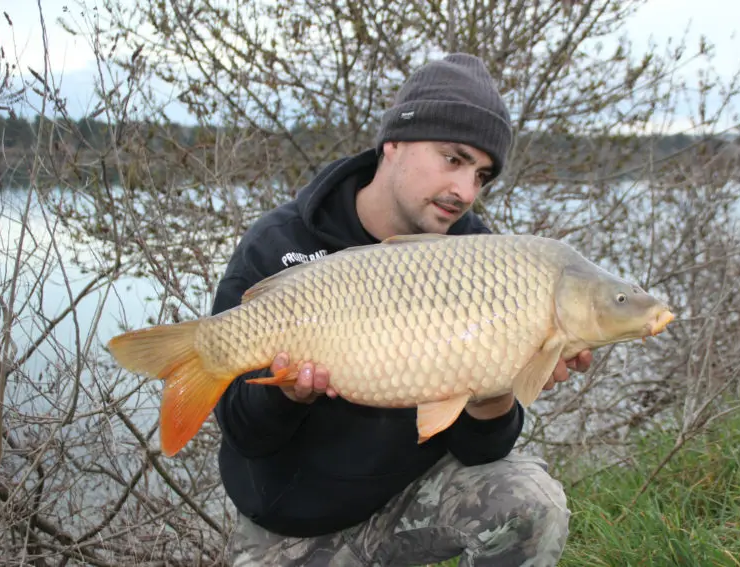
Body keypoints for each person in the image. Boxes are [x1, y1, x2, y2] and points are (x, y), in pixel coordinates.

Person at [212, 53, 593, 566]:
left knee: (531, 504)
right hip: (292, 522)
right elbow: (244, 435)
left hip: (413, 504)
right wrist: (287, 396)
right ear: (393, 143)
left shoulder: (482, 258)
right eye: (453, 159)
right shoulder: (277, 245)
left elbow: (482, 452)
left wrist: (495, 388)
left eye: (481, 176)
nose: (465, 191)